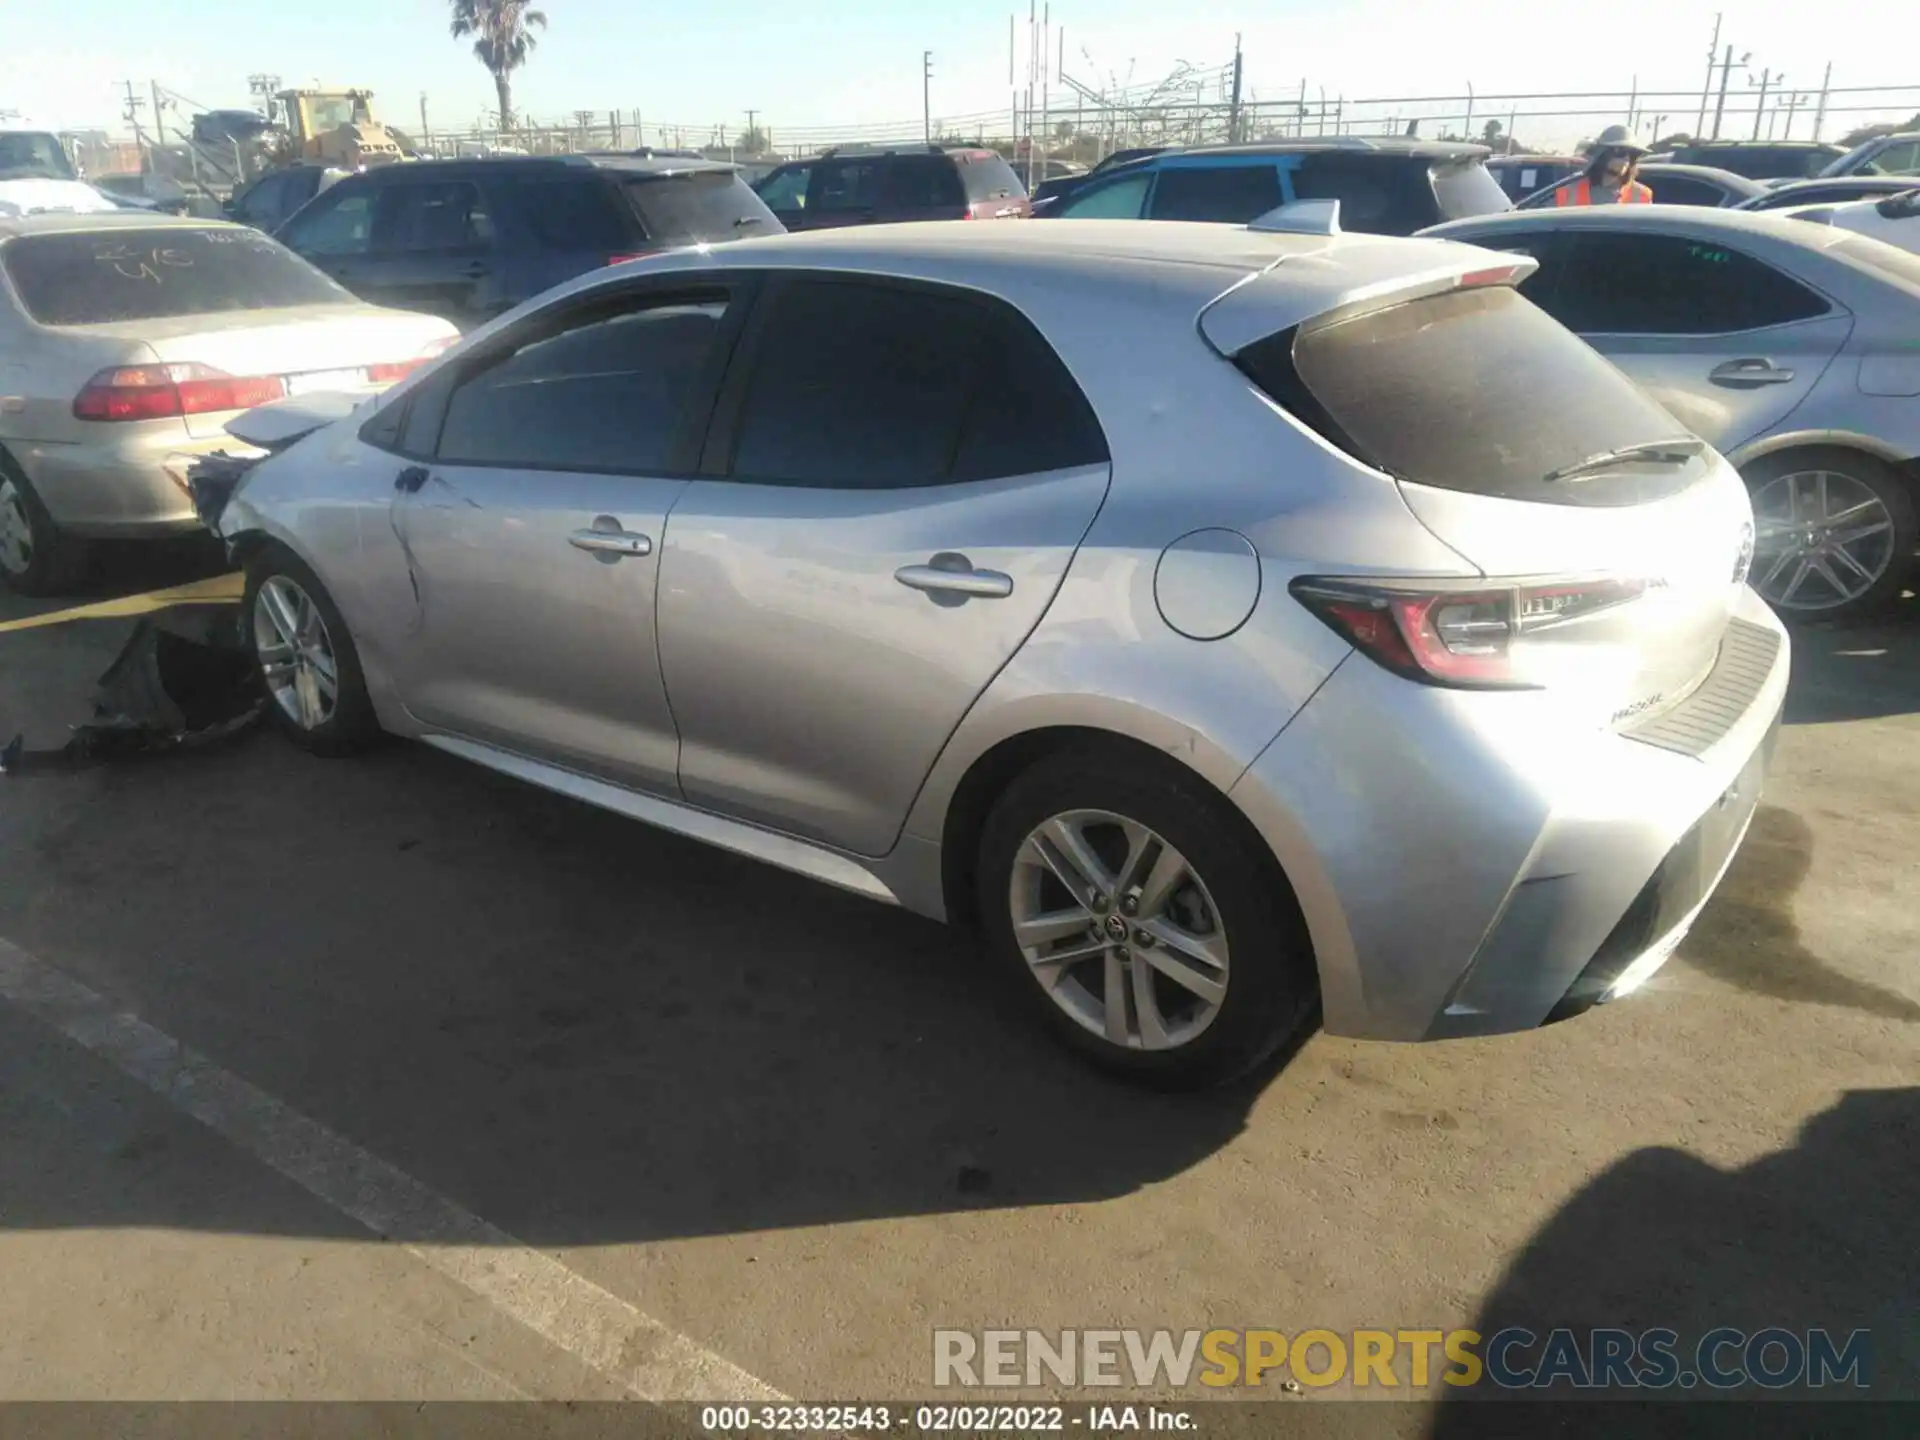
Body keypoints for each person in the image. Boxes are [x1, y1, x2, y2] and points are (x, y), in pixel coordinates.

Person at [1552, 125, 1654, 206]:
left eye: (1632, 154)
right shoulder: (1569, 193)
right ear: (1602, 155)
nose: (1626, 158)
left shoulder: (1642, 195)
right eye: (1620, 151)